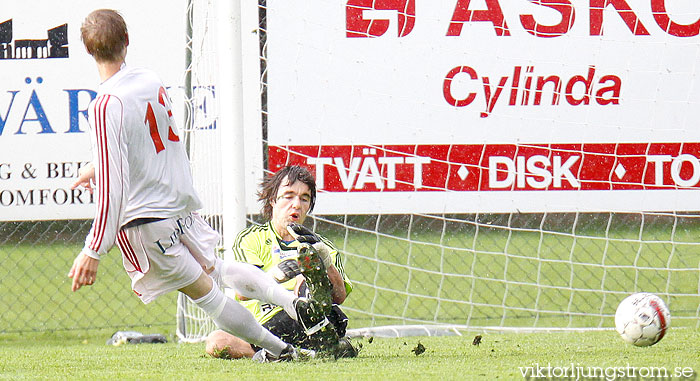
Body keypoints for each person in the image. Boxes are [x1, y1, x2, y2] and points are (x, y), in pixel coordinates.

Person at [68, 9, 325, 362]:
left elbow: (114, 186)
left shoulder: (104, 104)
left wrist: (93, 250)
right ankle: (291, 303)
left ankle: (283, 352)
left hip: (148, 221)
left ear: (88, 51)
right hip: (178, 206)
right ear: (127, 41)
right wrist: (97, 165)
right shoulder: (149, 80)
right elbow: (144, 141)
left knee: (210, 297)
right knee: (217, 268)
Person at [205, 165, 356, 360]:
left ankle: (297, 339)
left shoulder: (321, 246)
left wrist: (325, 262)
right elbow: (241, 294)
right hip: (268, 326)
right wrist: (273, 277)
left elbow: (339, 296)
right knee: (217, 342)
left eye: (304, 198)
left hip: (317, 319)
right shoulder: (251, 239)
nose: (296, 205)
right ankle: (311, 351)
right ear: (272, 200)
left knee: (307, 280)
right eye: (288, 196)